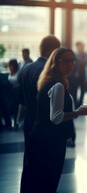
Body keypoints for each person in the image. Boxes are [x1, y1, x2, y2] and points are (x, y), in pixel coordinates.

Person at [20, 47, 87, 192]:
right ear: (55, 63)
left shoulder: (49, 82)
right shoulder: (58, 85)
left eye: (72, 61)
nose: (70, 64)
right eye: (65, 61)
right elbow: (56, 117)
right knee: (48, 182)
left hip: (41, 140)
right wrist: (77, 112)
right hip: (50, 144)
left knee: (37, 181)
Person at [17, 35, 61, 165]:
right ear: (51, 51)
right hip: (44, 125)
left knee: (30, 161)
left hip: (29, 121)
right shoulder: (48, 71)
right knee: (43, 165)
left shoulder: (26, 68)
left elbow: (21, 99)